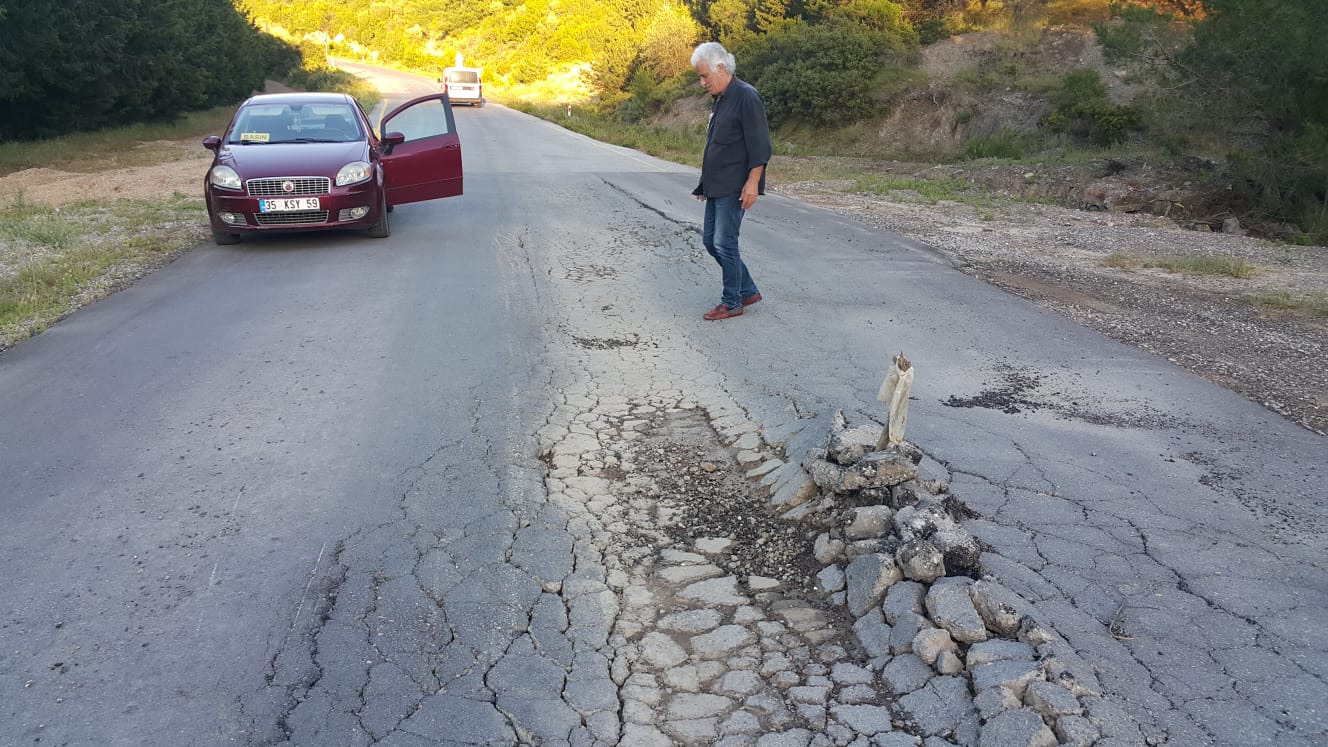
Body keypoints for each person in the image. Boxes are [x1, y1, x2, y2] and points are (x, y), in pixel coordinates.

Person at [690, 42, 772, 321]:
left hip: (735, 185)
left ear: (721, 68)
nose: (702, 82)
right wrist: (705, 184)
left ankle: (732, 301)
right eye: (700, 77)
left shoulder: (746, 97)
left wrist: (753, 183)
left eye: (704, 76)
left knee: (725, 242)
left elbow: (760, 145)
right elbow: (717, 145)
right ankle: (746, 289)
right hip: (717, 184)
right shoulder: (722, 98)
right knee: (711, 243)